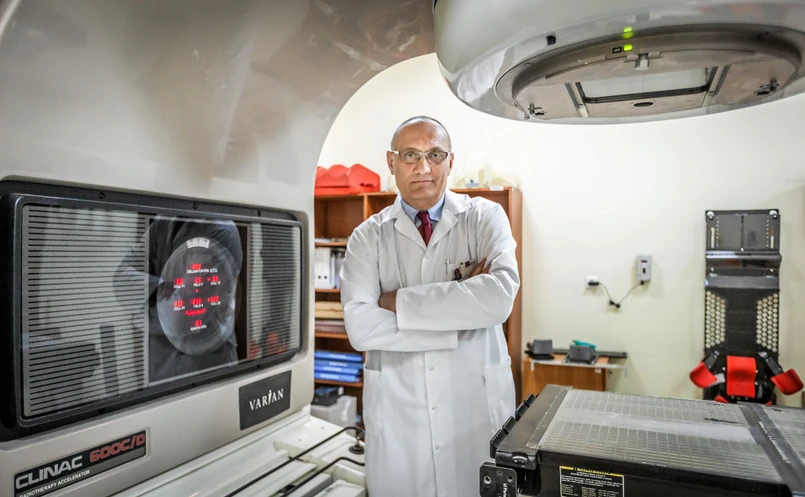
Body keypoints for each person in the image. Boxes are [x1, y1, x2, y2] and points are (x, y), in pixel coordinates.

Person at [339, 116, 520, 497]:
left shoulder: (485, 218)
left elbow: (499, 297)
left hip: (473, 413)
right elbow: (360, 328)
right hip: (399, 420)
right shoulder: (367, 237)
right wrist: (460, 313)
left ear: (450, 162)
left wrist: (395, 302)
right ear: (391, 162)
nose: (423, 167)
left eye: (435, 154)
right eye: (410, 155)